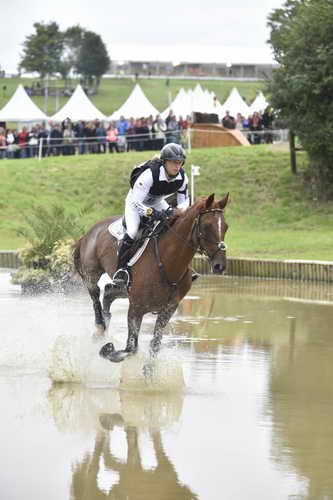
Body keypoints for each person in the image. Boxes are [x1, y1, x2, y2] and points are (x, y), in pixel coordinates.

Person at [112, 143, 190, 287]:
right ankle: (121, 270)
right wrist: (152, 213)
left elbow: (184, 202)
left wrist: (177, 211)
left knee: (176, 228)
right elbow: (136, 202)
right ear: (164, 161)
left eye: (179, 163)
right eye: (173, 162)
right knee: (132, 231)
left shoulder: (183, 178)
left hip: (158, 201)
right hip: (135, 202)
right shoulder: (149, 174)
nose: (177, 166)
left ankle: (183, 268)